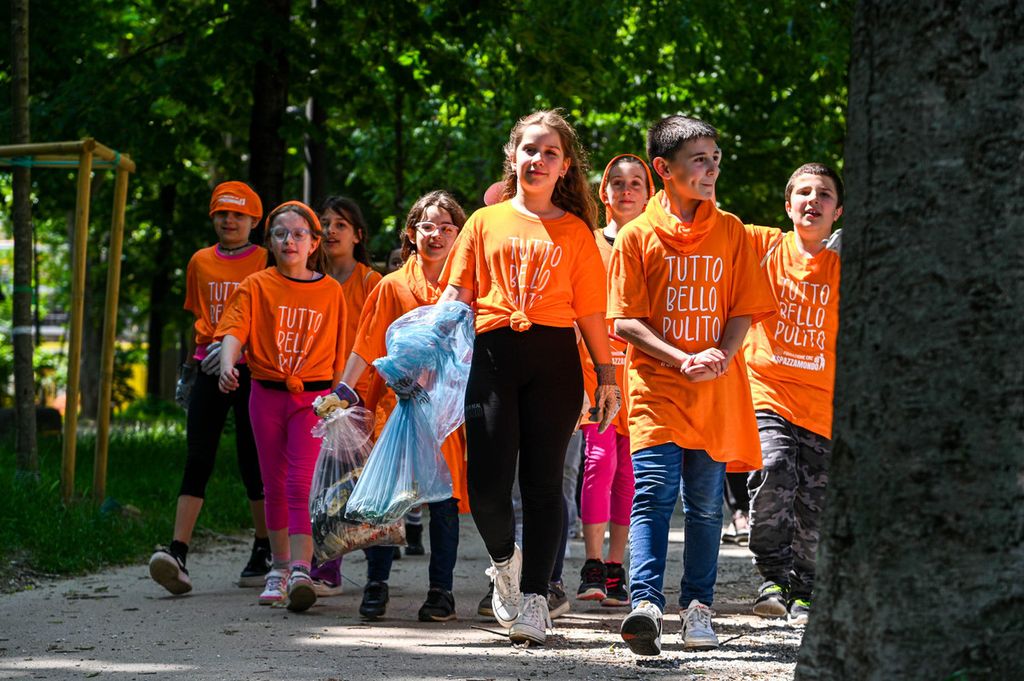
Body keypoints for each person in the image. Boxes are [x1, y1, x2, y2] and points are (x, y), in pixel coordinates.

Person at [439, 109, 621, 645]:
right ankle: (505, 563)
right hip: (492, 356)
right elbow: (456, 295)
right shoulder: (483, 221)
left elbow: (591, 313)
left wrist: (607, 377)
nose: (538, 160)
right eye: (530, 149)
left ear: (565, 167)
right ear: (513, 156)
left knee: (543, 485)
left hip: (554, 361)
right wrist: (423, 351)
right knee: (486, 485)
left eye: (550, 153)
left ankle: (537, 600)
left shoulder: (577, 232)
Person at [608, 115, 775, 656]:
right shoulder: (636, 235)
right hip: (656, 387)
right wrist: (682, 359)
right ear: (664, 168)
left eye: (715, 158)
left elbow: (745, 305)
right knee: (653, 494)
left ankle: (698, 606)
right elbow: (625, 320)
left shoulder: (731, 230)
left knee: (705, 504)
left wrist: (721, 355)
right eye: (699, 160)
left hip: (714, 390)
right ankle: (645, 606)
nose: (711, 169)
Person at [324, 190, 470, 622]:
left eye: (447, 228)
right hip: (396, 408)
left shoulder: (470, 288)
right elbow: (366, 344)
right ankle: (376, 584)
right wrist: (344, 390)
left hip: (446, 415)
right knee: (387, 498)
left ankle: (441, 592)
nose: (436, 235)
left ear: (459, 235)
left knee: (444, 502)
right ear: (411, 232)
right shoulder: (392, 286)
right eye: (427, 226)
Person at [214, 201, 348, 613]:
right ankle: (279, 567)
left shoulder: (331, 290)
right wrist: (226, 365)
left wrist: (339, 397)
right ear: (269, 242)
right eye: (280, 234)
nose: (290, 241)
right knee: (272, 483)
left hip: (313, 400)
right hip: (266, 394)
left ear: (313, 243)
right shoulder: (256, 285)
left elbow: (341, 348)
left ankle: (302, 570)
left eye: (298, 234)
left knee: (300, 484)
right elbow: (234, 330)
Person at [149, 181, 270, 596]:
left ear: (254, 221)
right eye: (222, 213)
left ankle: (264, 546)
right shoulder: (199, 261)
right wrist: (188, 369)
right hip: (208, 365)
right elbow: (198, 319)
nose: (229, 220)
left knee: (252, 459)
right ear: (213, 217)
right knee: (198, 456)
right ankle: (178, 551)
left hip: (253, 369)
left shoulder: (267, 259)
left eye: (238, 214)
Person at [742, 163, 843, 626]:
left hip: (823, 402)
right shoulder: (762, 246)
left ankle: (806, 588)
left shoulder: (846, 267)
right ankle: (772, 576)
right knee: (774, 466)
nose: (812, 200)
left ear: (837, 212)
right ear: (788, 205)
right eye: (803, 192)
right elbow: (705, 221)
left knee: (815, 500)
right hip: (767, 391)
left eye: (824, 194)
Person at [576, 154, 654, 607]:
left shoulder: (656, 243)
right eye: (618, 183)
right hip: (595, 371)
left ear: (649, 194)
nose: (626, 190)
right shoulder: (587, 242)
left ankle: (614, 566)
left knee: (630, 473)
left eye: (636, 183)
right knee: (599, 461)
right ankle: (591, 562)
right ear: (603, 193)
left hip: (642, 375)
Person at [310, 196, 384, 596]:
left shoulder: (372, 283)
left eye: (340, 224)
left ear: (358, 235)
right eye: (324, 223)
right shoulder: (309, 280)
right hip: (316, 395)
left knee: (360, 485)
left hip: (363, 401)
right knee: (324, 484)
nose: (330, 231)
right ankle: (322, 566)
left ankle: (373, 575)